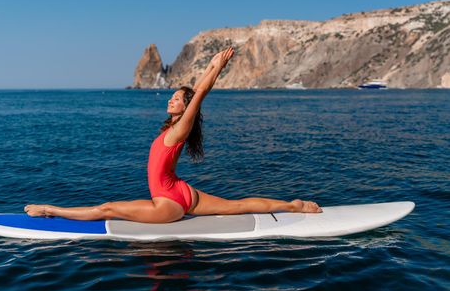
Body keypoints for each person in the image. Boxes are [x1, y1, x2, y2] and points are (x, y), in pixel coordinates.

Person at [24, 47, 322, 222]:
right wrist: (209, 65)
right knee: (238, 205)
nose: (171, 100)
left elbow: (200, 92)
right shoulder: (173, 127)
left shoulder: (181, 126)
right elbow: (196, 88)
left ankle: (48, 209)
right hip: (181, 190)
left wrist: (216, 67)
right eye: (174, 96)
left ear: (185, 106)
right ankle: (293, 206)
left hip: (169, 202)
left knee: (107, 209)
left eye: (177, 98)